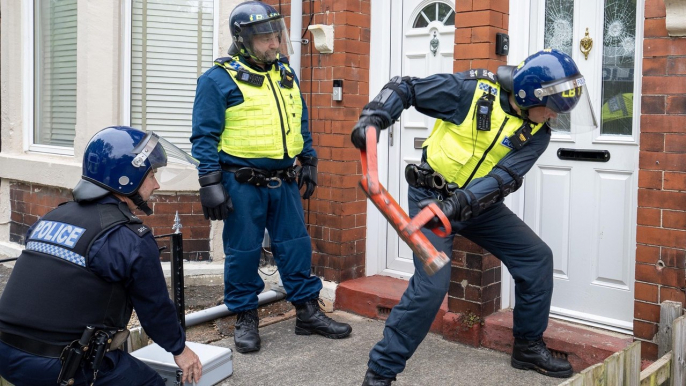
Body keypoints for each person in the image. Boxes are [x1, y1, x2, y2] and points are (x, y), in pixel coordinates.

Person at [351, 49, 597, 385]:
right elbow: (404, 88)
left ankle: (527, 345)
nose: (553, 116)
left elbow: (503, 177)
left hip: (478, 207)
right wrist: (374, 118)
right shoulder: (472, 92)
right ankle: (381, 371)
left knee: (536, 259)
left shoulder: (538, 133)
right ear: (527, 94)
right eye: (551, 108)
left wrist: (461, 205)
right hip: (430, 199)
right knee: (431, 287)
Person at [190, 1, 351, 354]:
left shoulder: (284, 73)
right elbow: (203, 137)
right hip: (241, 182)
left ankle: (307, 312)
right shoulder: (217, 79)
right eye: (265, 38)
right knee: (243, 252)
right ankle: (245, 316)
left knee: (296, 246)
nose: (274, 44)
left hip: (285, 180)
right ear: (243, 40)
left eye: (276, 36)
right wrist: (210, 183)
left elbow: (299, 118)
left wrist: (308, 158)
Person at [0, 126, 202, 385]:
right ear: (126, 178)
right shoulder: (129, 238)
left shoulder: (50, 218)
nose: (156, 184)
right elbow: (155, 309)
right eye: (151, 174)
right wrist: (180, 350)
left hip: (6, 352)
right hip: (58, 366)